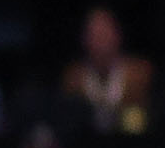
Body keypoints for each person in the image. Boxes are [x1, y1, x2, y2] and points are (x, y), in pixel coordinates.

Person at [58, 7, 152, 135]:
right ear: (84, 39)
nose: (100, 40)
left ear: (117, 35)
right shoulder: (73, 79)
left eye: (104, 32)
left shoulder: (140, 73)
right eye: (93, 34)